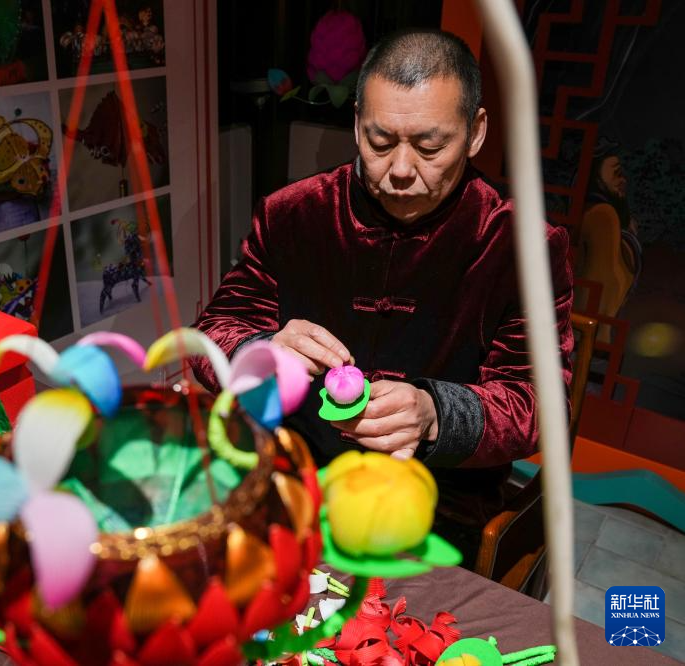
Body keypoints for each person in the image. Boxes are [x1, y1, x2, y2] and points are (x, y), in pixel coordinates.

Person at [191, 29, 574, 546]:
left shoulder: (519, 246)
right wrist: (260, 351)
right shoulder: (292, 214)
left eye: (430, 146)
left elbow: (537, 404)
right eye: (380, 142)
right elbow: (211, 333)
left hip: (435, 505)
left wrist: (436, 414)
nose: (401, 171)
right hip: (297, 477)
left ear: (476, 132)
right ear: (356, 124)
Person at [575, 137, 642, 344]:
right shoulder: (603, 215)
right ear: (595, 177)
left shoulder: (609, 217)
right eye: (616, 173)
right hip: (587, 336)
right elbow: (606, 282)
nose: (623, 180)